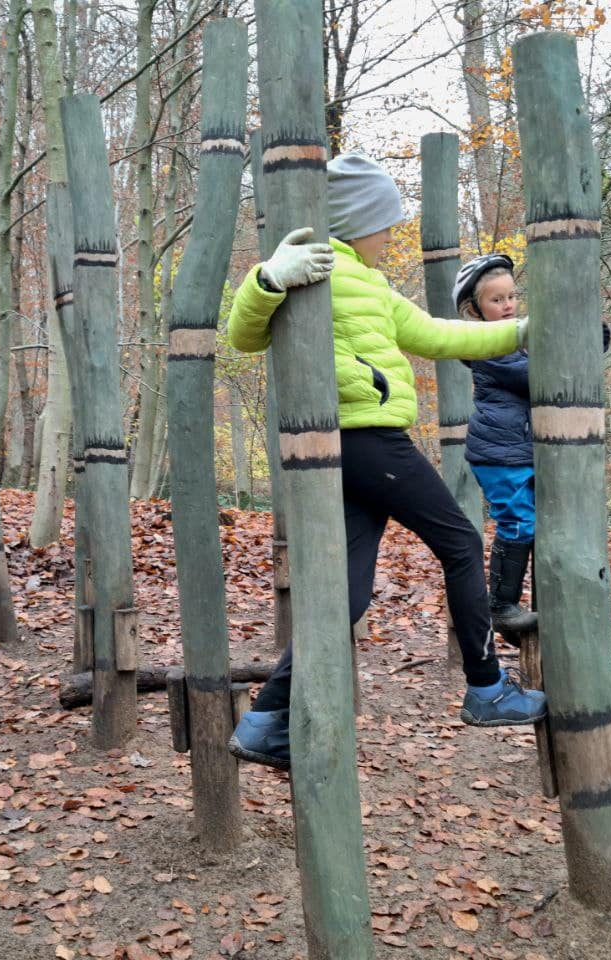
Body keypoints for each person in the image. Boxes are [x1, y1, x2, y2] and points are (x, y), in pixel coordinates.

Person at [225, 153, 546, 771]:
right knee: (459, 541)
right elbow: (244, 336)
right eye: (386, 224)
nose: (390, 235)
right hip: (366, 439)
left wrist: (523, 330)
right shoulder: (315, 266)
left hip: (353, 448)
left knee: (349, 592)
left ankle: (264, 720)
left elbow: (440, 336)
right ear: (358, 221)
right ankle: (486, 688)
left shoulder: (371, 284)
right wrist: (268, 278)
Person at [453, 254, 538, 634]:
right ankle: (501, 605)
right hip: (499, 454)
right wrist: (579, 345)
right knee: (518, 522)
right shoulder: (490, 347)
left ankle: (511, 610)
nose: (507, 305)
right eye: (496, 299)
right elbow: (537, 377)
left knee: (530, 522)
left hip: (515, 450)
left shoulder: (515, 342)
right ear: (475, 310)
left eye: (511, 296)